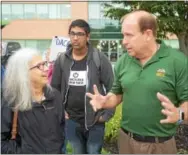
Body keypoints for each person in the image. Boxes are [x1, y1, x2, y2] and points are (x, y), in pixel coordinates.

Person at [86, 10, 188, 154]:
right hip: (126, 141)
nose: (124, 41)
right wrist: (105, 101)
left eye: (129, 35)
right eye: (123, 35)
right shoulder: (124, 61)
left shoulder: (177, 62)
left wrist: (180, 115)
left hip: (159, 146)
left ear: (148, 34)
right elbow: (117, 93)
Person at [51, 19, 115, 154]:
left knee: (93, 152)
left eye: (80, 34)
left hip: (95, 120)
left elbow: (112, 87)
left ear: (88, 36)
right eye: (72, 33)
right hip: (71, 121)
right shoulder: (62, 60)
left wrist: (106, 114)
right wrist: (60, 111)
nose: (75, 38)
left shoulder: (99, 58)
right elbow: (54, 89)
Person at [1, 48, 65, 154]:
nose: (46, 68)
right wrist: (22, 152)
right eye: (39, 66)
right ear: (23, 72)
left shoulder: (55, 95)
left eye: (44, 63)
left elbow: (61, 128)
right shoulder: (11, 101)